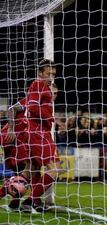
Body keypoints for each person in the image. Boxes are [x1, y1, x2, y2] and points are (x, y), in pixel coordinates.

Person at [21, 59, 62, 212]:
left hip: (38, 131)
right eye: (48, 73)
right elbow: (32, 107)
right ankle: (30, 200)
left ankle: (35, 202)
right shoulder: (38, 84)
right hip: (38, 132)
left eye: (53, 73)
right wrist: (51, 118)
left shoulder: (44, 87)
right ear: (40, 73)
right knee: (55, 168)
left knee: (34, 169)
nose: (51, 76)